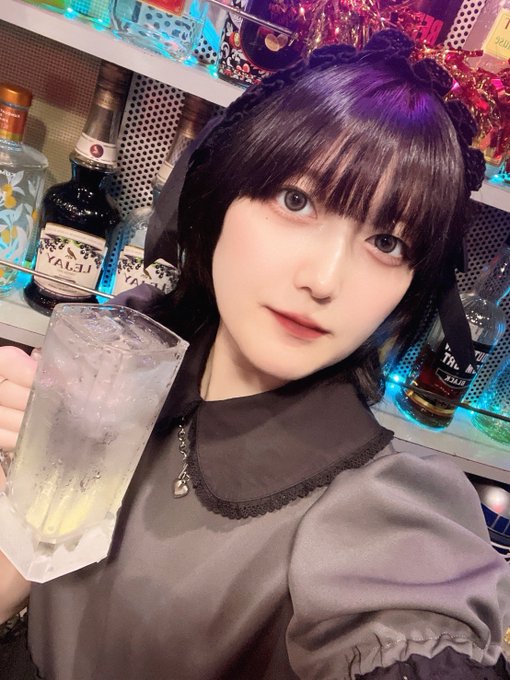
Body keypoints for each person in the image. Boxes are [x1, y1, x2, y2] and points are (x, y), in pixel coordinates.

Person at [0, 28, 509, 679]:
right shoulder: (135, 343)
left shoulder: (382, 512)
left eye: (387, 243)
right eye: (297, 201)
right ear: (218, 196)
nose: (324, 280)